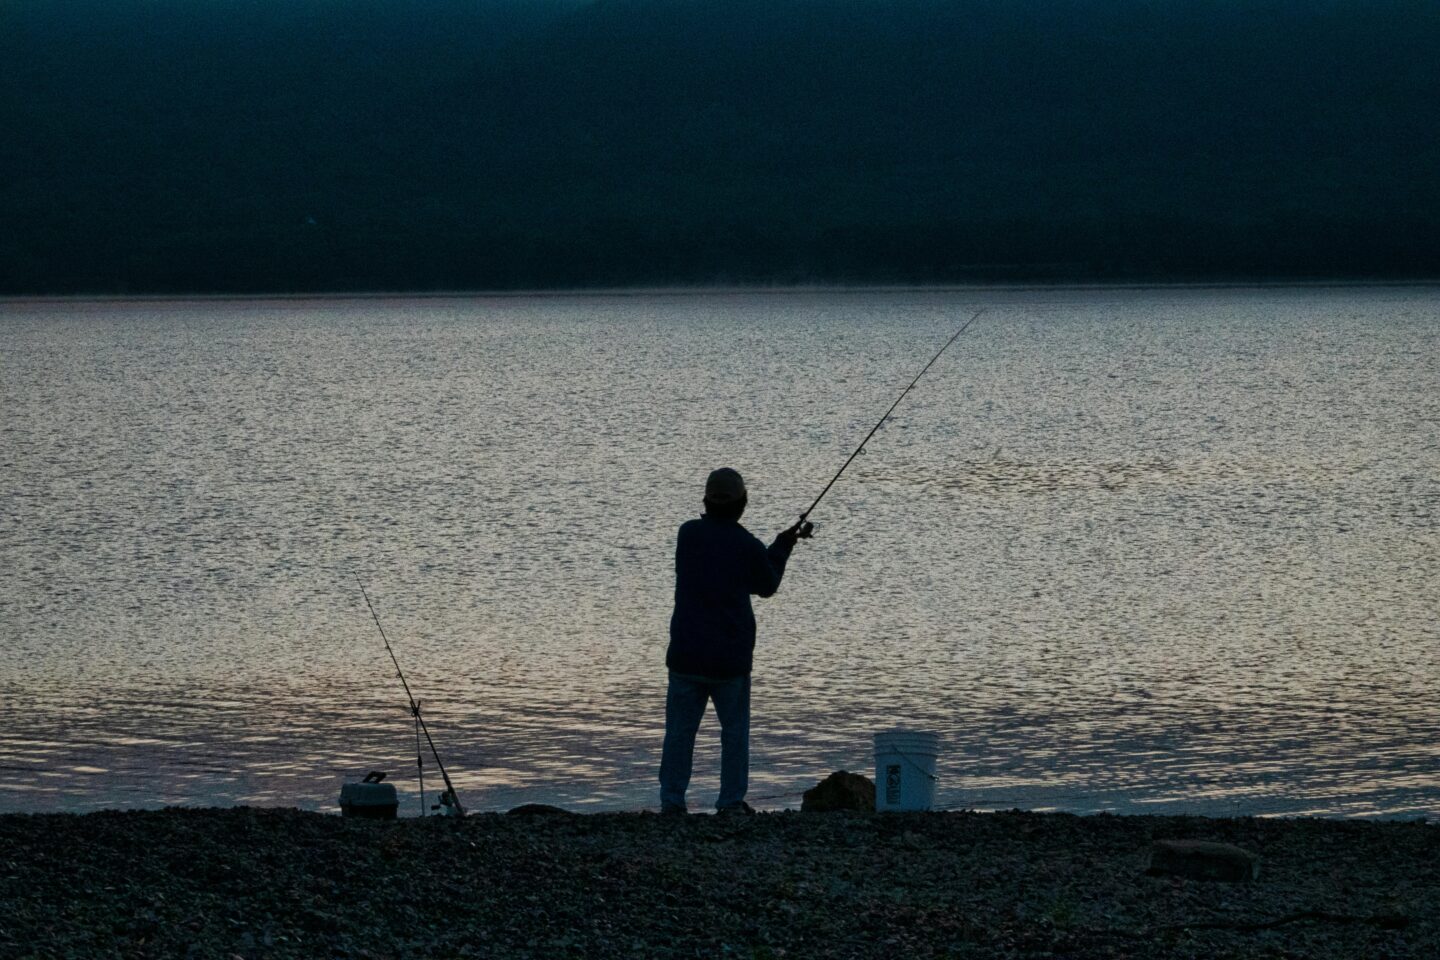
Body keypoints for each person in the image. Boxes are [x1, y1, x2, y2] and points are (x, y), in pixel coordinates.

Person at [659, 467, 811, 815]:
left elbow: (736, 563)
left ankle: (672, 801)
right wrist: (783, 546)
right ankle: (729, 803)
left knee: (679, 734)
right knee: (734, 735)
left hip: (686, 655)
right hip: (730, 660)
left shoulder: (688, 535)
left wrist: (777, 545)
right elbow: (767, 584)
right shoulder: (747, 545)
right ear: (743, 503)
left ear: (705, 501)